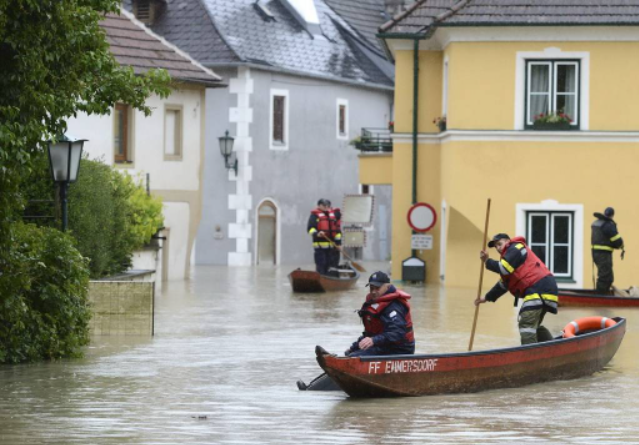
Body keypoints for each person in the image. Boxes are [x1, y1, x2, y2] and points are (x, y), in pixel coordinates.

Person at [476, 233, 559, 345]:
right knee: (533, 326)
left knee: (526, 325)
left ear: (507, 241)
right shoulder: (511, 261)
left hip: (539, 287)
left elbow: (503, 268)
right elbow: (503, 285)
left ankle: (530, 357)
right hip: (544, 288)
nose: (498, 248)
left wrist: (487, 261)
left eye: (499, 244)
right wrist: (486, 298)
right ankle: (552, 348)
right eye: (496, 247)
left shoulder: (515, 248)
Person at [345, 271, 415, 357]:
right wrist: (354, 347)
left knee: (355, 357)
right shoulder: (374, 303)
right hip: (384, 344)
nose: (373, 292)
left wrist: (374, 340)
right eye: (371, 288)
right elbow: (371, 334)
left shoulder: (394, 306)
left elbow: (397, 333)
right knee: (349, 353)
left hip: (400, 349)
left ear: (387, 286)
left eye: (377, 288)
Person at [592, 207, 624, 294]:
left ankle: (603, 294)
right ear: (612, 215)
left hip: (596, 254)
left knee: (607, 276)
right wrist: (621, 245)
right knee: (605, 277)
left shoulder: (597, 223)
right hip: (603, 255)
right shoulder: (608, 225)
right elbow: (617, 241)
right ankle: (601, 297)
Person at [307, 199, 341, 275]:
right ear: (319, 206)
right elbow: (310, 228)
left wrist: (339, 244)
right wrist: (317, 233)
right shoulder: (314, 215)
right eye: (324, 205)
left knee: (332, 266)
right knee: (321, 264)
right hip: (320, 247)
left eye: (328, 206)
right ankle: (321, 278)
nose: (326, 207)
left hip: (332, 247)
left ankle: (331, 280)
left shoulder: (333, 216)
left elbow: (337, 232)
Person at [325, 200, 342, 273]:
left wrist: (338, 244)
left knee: (334, 254)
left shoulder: (335, 212)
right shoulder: (322, 214)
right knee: (328, 255)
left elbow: (336, 225)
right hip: (327, 239)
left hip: (334, 238)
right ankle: (329, 269)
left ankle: (333, 268)